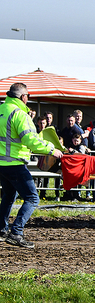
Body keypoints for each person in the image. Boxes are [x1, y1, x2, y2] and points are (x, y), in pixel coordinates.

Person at [0, 83, 63, 248]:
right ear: (23, 97)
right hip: (14, 163)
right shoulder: (19, 114)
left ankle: (1, 230)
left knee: (9, 195)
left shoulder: (1, 110)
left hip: (1, 164)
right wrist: (51, 149)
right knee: (32, 197)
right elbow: (31, 141)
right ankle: (16, 232)